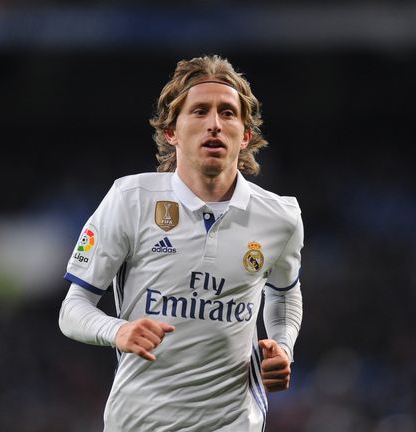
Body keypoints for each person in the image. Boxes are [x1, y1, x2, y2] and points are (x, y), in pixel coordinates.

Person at [58, 55, 304, 431]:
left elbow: (285, 293)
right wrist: (118, 331)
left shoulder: (280, 218)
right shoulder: (131, 199)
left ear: (246, 134)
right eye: (200, 111)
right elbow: (72, 309)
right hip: (138, 422)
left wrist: (282, 347)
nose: (215, 125)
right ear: (171, 130)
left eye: (227, 113)